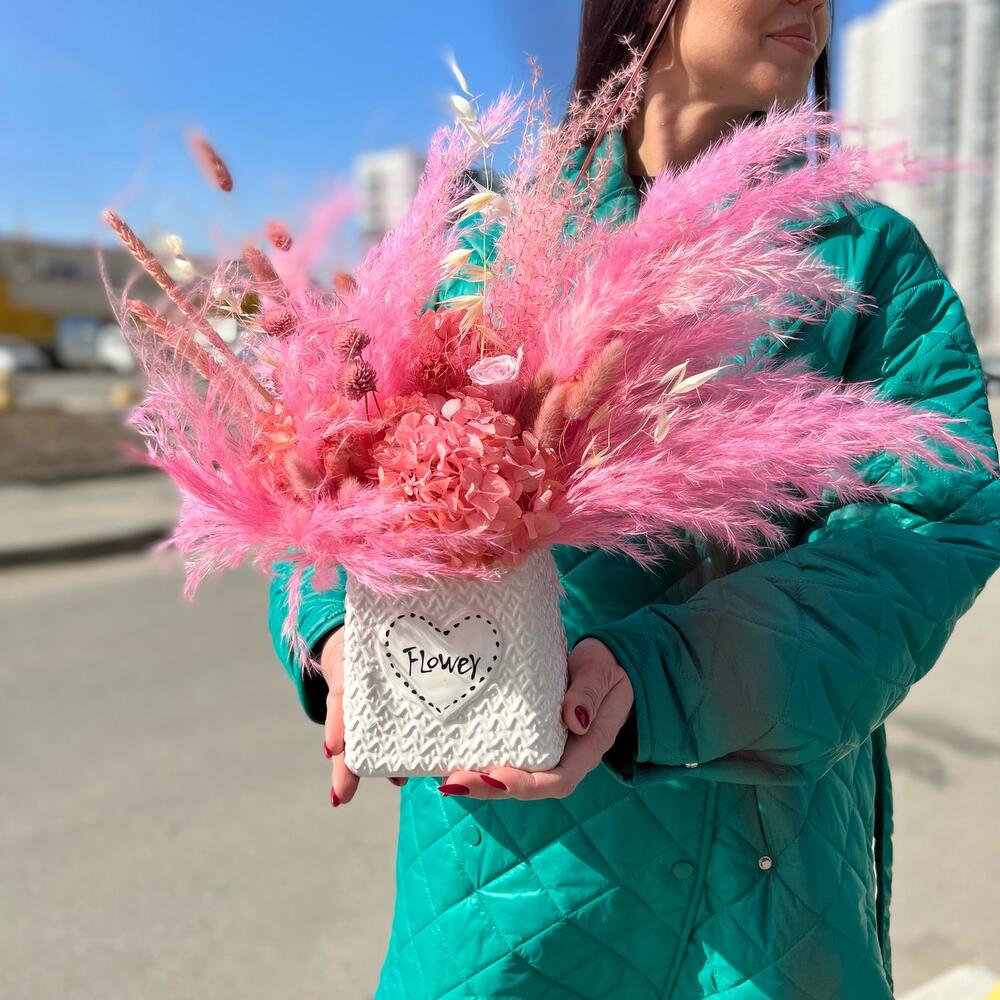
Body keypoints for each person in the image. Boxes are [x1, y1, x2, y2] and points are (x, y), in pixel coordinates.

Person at [268, 1, 1000, 996]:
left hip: (758, 884)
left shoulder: (863, 259)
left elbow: (926, 526)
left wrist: (660, 673)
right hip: (493, 888)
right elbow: (326, 479)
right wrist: (336, 635)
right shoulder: (487, 247)